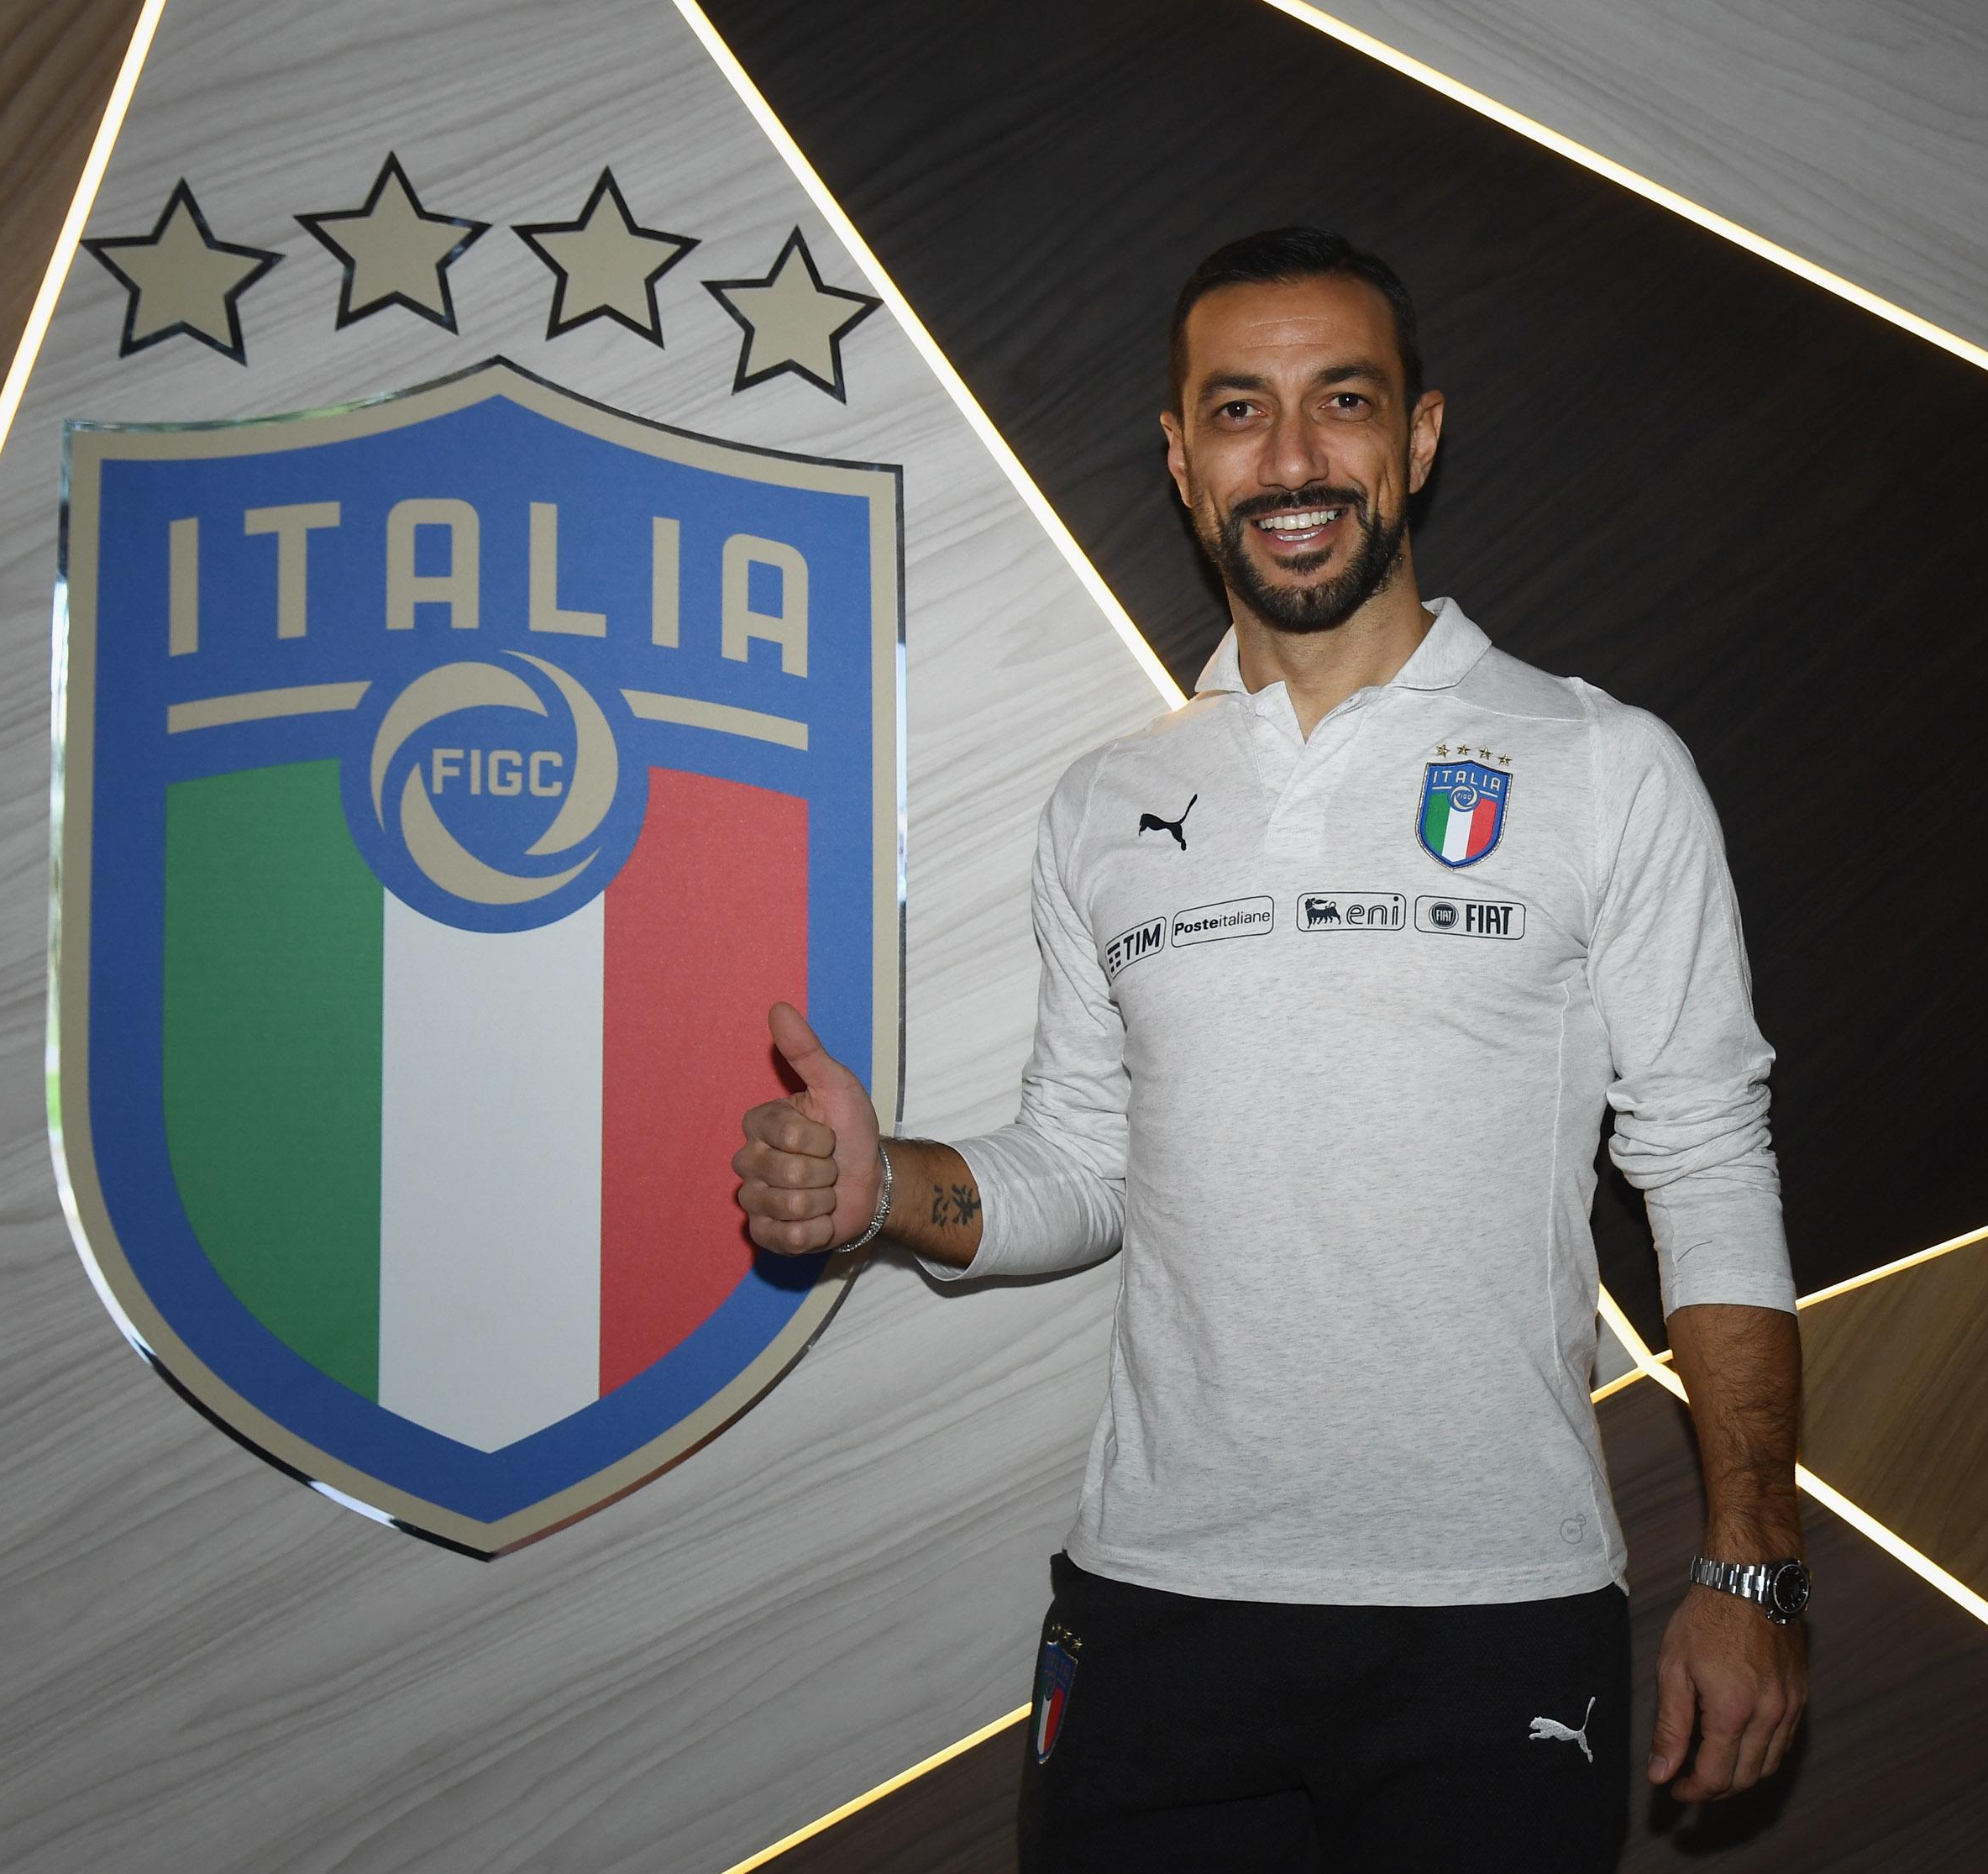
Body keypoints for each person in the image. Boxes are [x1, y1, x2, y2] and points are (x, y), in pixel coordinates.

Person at [733, 226, 1807, 1871]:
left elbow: (1709, 1166)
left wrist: (1751, 1567)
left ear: (1418, 438)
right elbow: (1082, 1164)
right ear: (1182, 460)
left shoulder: (1604, 766)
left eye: (1342, 401)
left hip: (1495, 1613)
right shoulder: (1103, 803)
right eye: (1240, 411)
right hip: (1158, 1603)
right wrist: (886, 1191)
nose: (1292, 459)